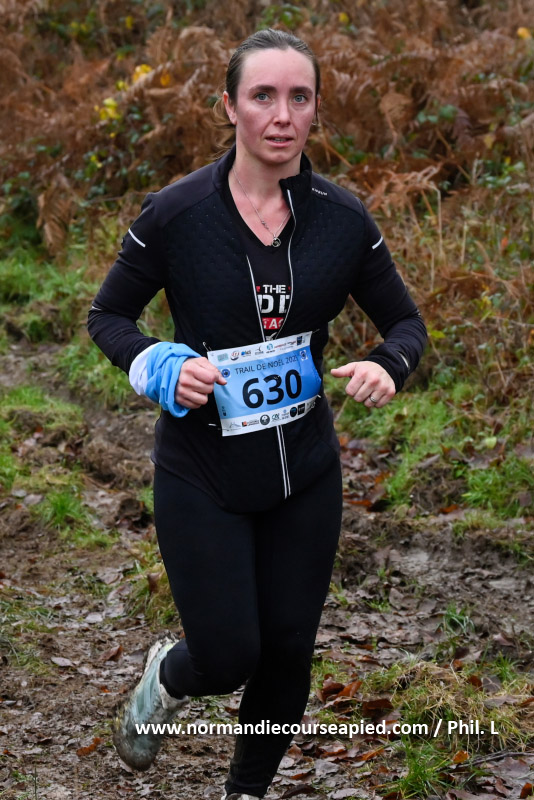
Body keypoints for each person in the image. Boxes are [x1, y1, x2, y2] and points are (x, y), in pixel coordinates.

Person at [88, 27, 427, 800]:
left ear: (316, 109)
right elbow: (107, 316)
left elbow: (406, 324)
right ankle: (168, 678)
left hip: (304, 471)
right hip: (202, 470)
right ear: (229, 107)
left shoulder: (344, 220)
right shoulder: (178, 214)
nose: (282, 115)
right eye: (263, 96)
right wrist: (161, 365)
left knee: (287, 652)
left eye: (299, 97)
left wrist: (388, 363)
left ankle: (246, 791)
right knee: (227, 654)